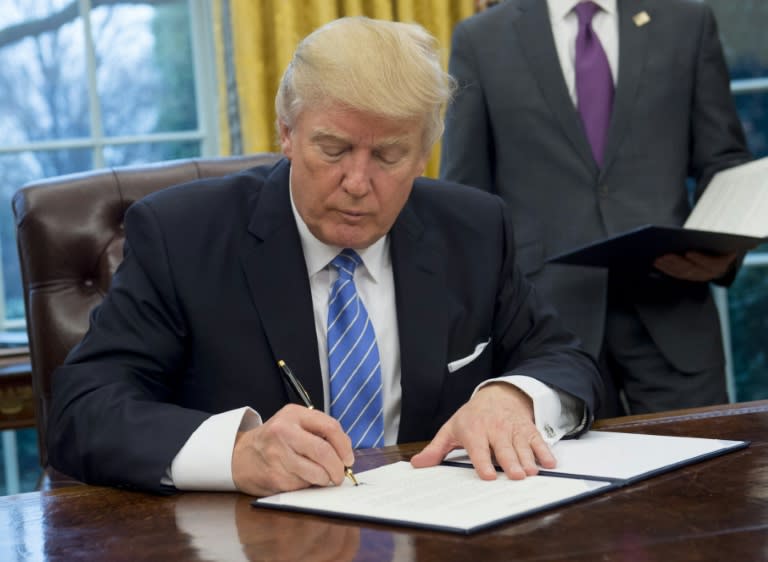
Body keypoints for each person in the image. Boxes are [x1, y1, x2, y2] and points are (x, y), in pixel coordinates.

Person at [47, 16, 604, 496]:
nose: (357, 183)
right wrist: (237, 453)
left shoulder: (474, 229)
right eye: (333, 149)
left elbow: (565, 359)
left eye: (389, 155)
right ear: (287, 133)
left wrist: (513, 397)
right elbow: (82, 411)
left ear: (424, 154)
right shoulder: (181, 235)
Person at [440, 0, 752, 416]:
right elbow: (466, 195)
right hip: (545, 331)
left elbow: (723, 162)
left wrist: (725, 251)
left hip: (675, 312)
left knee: (712, 477)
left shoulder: (688, 22)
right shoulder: (480, 39)